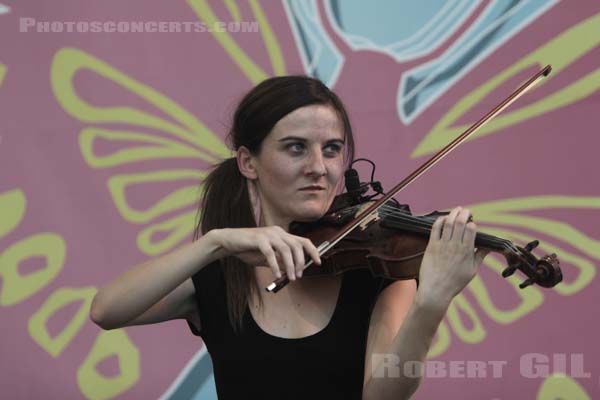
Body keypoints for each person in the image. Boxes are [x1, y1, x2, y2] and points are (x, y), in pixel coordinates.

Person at [90, 76, 488, 400]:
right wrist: (215, 243)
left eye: (331, 149)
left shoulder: (377, 268)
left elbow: (384, 396)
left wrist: (432, 303)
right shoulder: (220, 271)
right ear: (249, 162)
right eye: (296, 148)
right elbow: (107, 311)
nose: (319, 167)